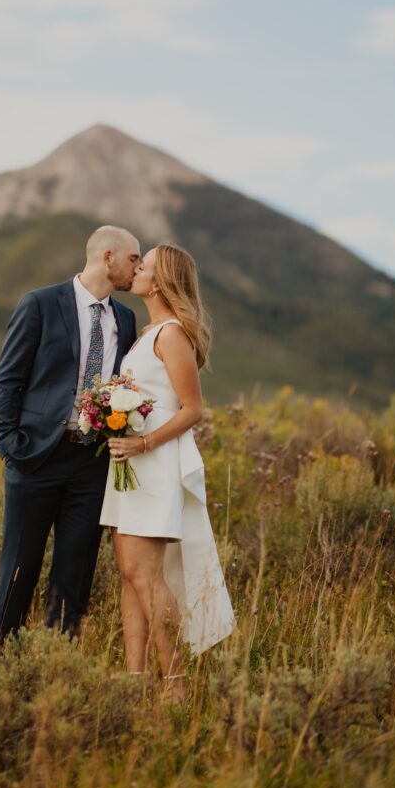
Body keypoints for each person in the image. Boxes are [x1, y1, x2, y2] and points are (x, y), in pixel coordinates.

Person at [0, 225, 140, 658]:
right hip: (34, 458)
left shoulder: (125, 320)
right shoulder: (39, 303)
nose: (139, 268)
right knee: (19, 572)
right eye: (134, 259)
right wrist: (10, 446)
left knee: (73, 580)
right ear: (107, 257)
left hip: (90, 466)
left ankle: (57, 677)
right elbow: (8, 380)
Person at [100, 244, 235, 701]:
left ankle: (175, 685)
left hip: (153, 465)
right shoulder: (147, 333)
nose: (136, 269)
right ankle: (136, 680)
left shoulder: (172, 334)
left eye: (145, 265)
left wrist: (142, 441)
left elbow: (192, 409)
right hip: (129, 467)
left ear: (158, 282)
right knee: (128, 573)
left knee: (147, 576)